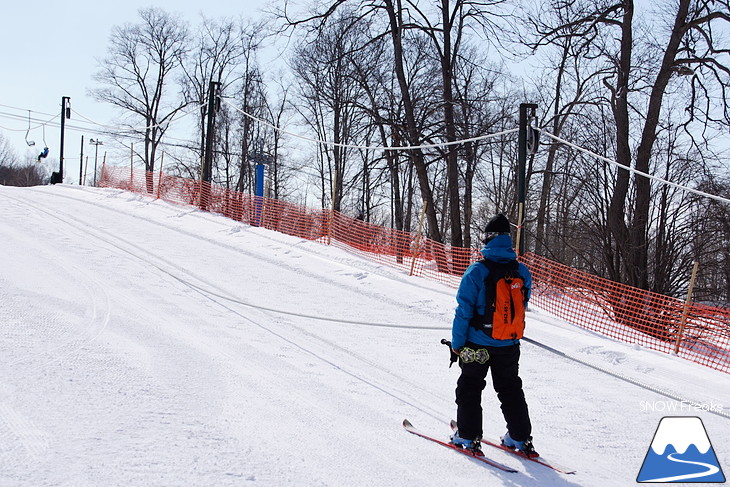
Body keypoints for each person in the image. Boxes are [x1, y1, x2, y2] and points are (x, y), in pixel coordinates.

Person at [449, 213, 538, 457]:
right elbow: (523, 302)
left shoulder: (477, 271)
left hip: (477, 343)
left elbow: (463, 311)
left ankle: (467, 435)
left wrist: (457, 343)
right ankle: (520, 437)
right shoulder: (521, 270)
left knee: (470, 386)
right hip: (509, 343)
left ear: (488, 240)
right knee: (510, 388)